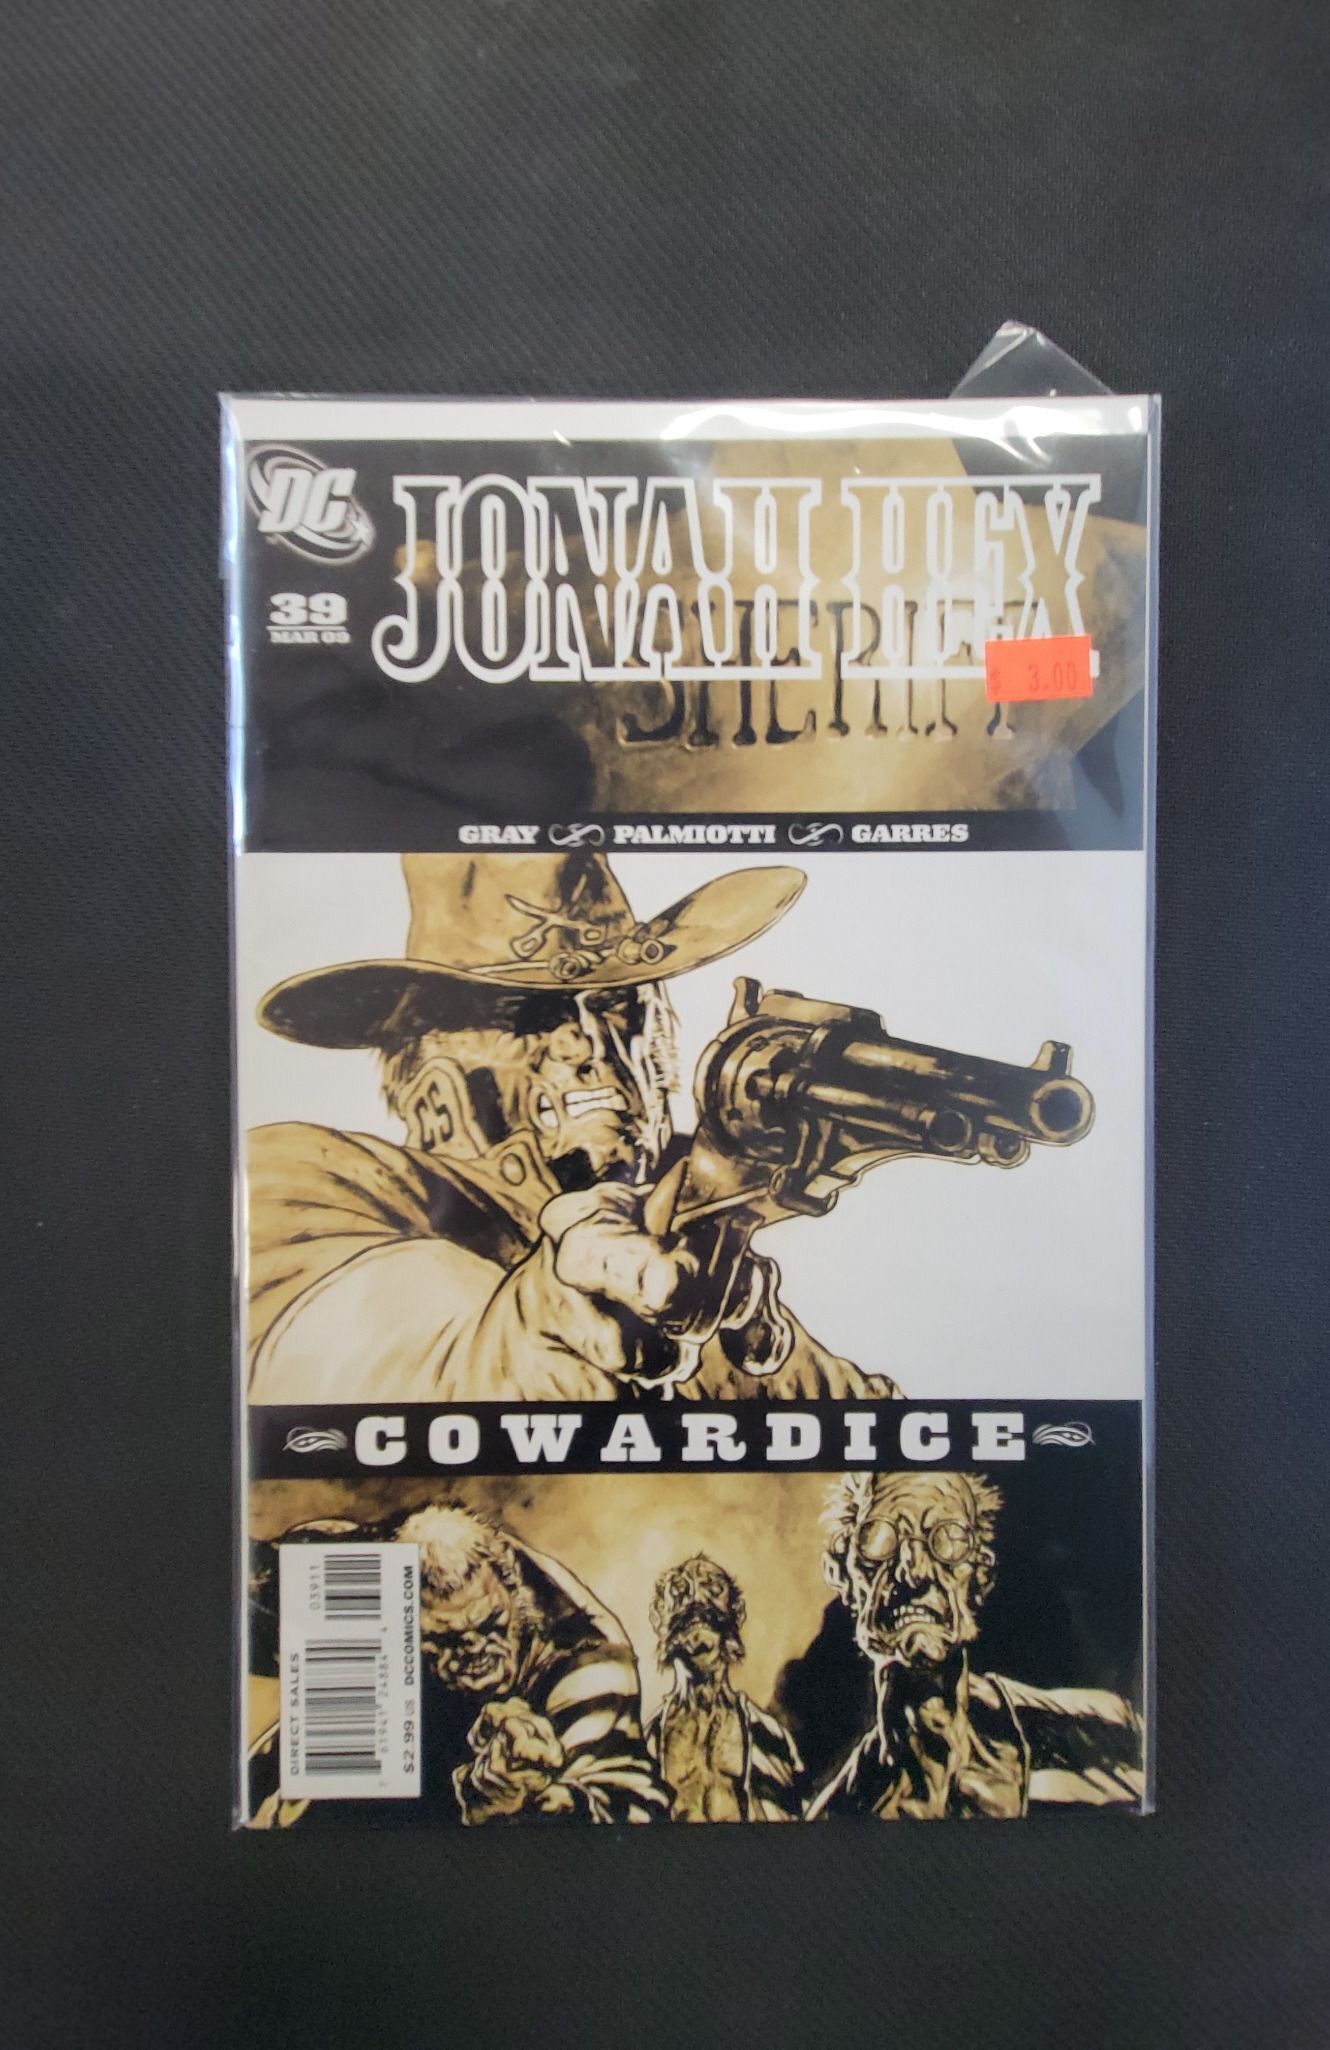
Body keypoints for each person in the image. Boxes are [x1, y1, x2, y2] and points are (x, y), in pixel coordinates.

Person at [247, 850, 896, 1403]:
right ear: (435, 1090)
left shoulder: (683, 1243)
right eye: (531, 1017)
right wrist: (543, 1322)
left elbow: (869, 1425)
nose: (587, 1043)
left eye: (618, 1008)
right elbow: (359, 1365)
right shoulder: (302, 1177)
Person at [249, 1503, 666, 1826]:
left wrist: (535, 1800)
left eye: (492, 1627)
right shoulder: (356, 1573)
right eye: (447, 1639)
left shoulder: (587, 1662)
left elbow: (626, 1811)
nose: (476, 1652)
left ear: (514, 1598)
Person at [806, 1472, 1144, 1819]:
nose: (914, 1572)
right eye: (881, 1540)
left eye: (947, 1540)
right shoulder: (838, 1815)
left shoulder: (1100, 1730)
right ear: (841, 1574)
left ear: (980, 1577)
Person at [645, 1554, 803, 1821]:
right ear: (658, 1616)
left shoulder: (770, 1737)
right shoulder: (648, 1741)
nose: (696, 1600)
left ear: (736, 1611)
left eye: (713, 1588)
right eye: (680, 1591)